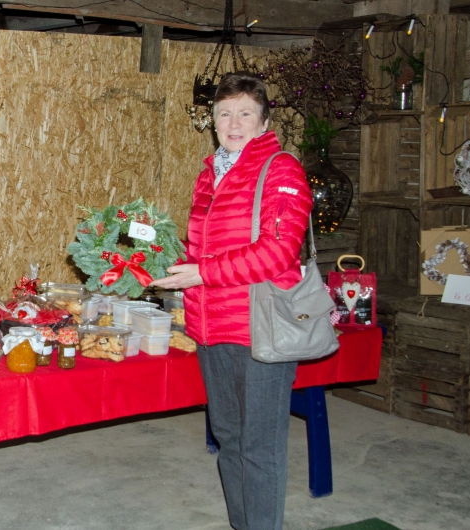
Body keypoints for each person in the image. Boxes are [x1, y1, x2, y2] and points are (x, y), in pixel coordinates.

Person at [150, 72, 313, 530]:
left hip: (260, 327)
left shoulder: (281, 170)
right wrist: (156, 261)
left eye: (245, 113)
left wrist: (201, 272)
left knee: (260, 447)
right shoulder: (210, 175)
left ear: (263, 122)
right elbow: (201, 250)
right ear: (213, 121)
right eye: (225, 113)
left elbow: (278, 252)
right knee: (229, 438)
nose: (234, 123)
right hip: (210, 326)